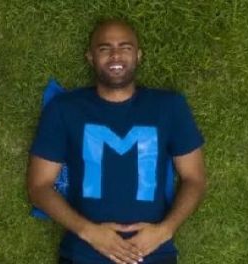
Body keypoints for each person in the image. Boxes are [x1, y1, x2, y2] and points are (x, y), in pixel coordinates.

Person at [27, 19, 208, 264]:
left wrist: (165, 230)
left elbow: (195, 178)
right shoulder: (64, 109)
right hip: (84, 253)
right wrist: (89, 232)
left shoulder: (169, 106)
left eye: (125, 47)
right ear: (90, 57)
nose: (115, 55)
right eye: (104, 48)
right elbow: (39, 186)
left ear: (138, 55)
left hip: (154, 252)